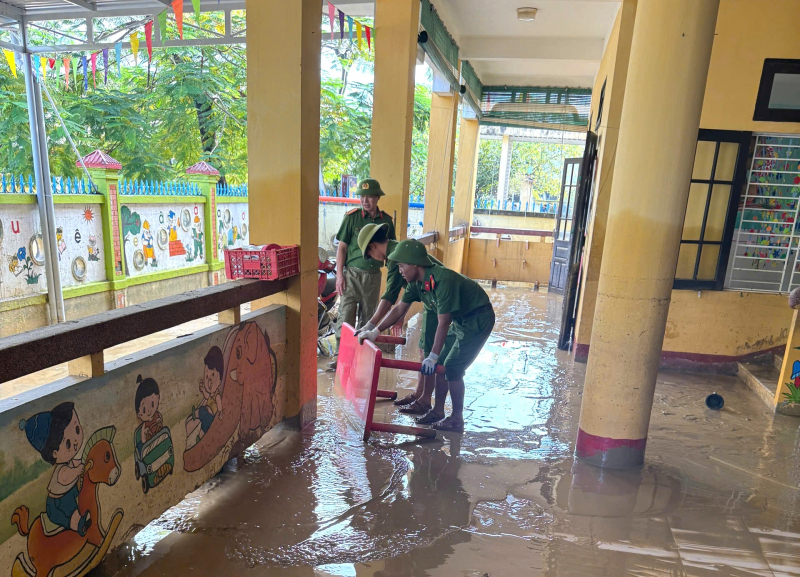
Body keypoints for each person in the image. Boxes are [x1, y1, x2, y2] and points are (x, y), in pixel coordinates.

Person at [360, 239, 495, 432]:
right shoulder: (415, 283)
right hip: (461, 319)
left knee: (453, 367)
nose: (399, 271)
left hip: (478, 318)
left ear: (415, 264)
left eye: (401, 266)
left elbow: (444, 322)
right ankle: (438, 411)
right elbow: (399, 309)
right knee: (441, 364)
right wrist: (375, 331)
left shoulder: (443, 280)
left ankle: (457, 419)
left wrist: (431, 356)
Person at [355, 222, 451, 416]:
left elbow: (389, 297)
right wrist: (382, 324)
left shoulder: (394, 256)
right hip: (430, 300)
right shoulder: (397, 250)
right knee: (424, 350)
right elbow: (404, 298)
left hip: (438, 300)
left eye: (369, 254)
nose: (372, 259)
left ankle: (425, 401)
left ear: (372, 246)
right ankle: (419, 393)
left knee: (432, 353)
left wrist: (370, 326)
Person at [329, 178, 396, 370]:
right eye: (362, 196)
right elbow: (341, 248)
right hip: (351, 276)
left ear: (377, 198)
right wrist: (339, 276)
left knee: (368, 317)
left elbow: (391, 251)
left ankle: (363, 360)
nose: (365, 201)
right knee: (346, 316)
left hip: (373, 276)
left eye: (369, 197)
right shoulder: (352, 218)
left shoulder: (386, 221)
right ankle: (341, 358)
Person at [19, 402, 92, 536]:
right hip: (57, 504)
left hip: (69, 493)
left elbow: (78, 464)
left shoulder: (70, 461)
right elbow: (65, 478)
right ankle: (79, 526)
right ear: (54, 453)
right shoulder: (62, 470)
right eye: (68, 443)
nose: (76, 441)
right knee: (72, 515)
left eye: (77, 429)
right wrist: (78, 470)